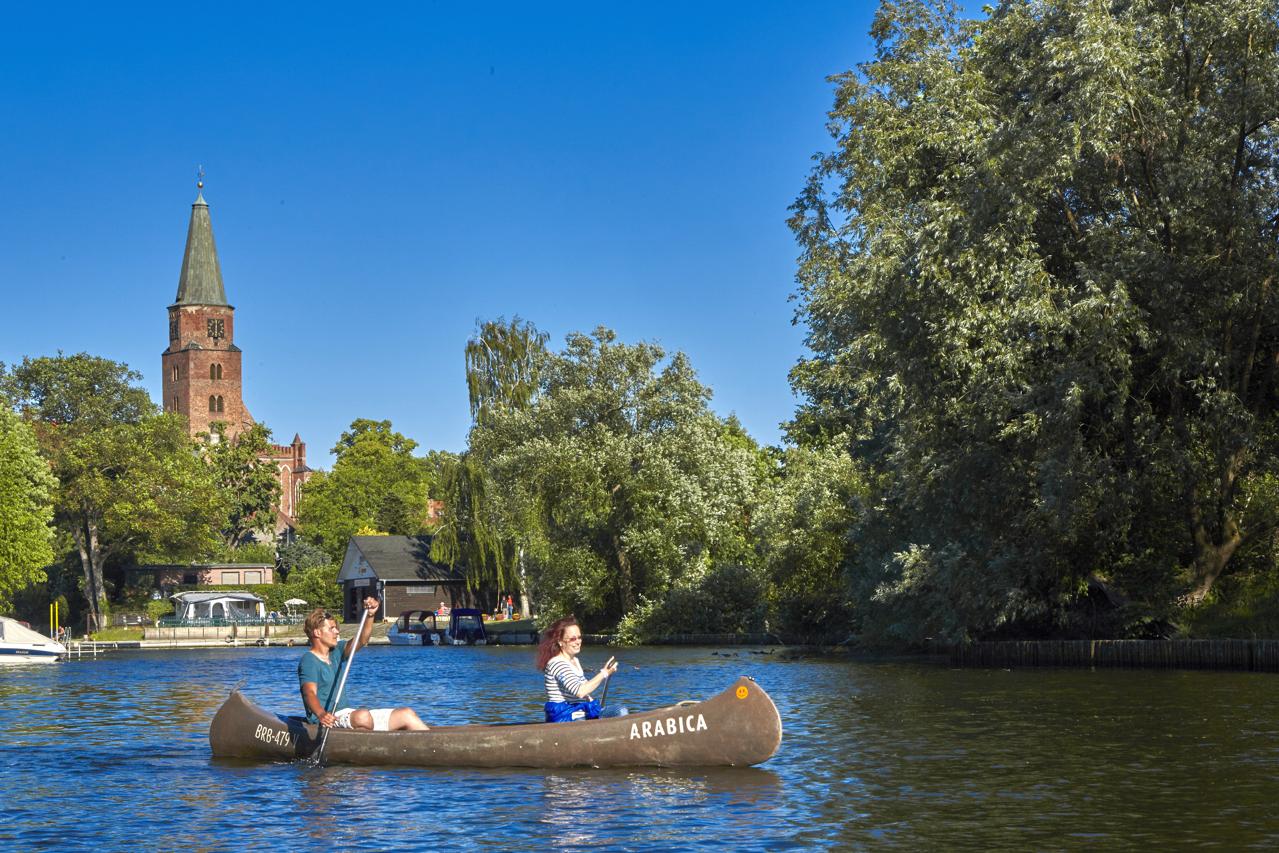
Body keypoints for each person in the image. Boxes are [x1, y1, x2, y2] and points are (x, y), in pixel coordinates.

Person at [298, 597, 429, 732]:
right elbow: (309, 693)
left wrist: (370, 615)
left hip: (346, 714)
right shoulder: (309, 660)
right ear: (317, 633)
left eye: (336, 628)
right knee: (362, 717)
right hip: (327, 720)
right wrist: (321, 714)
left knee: (406, 714)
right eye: (332, 629)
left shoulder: (336, 651)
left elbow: (362, 640)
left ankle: (436, 746)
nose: (337, 632)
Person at [536, 615, 622, 722]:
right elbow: (580, 691)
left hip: (580, 712)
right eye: (573, 639)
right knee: (582, 721)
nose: (578, 642)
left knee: (620, 711)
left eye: (579, 637)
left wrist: (594, 705)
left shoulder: (575, 661)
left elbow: (585, 689)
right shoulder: (557, 663)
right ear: (560, 642)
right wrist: (604, 673)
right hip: (565, 717)